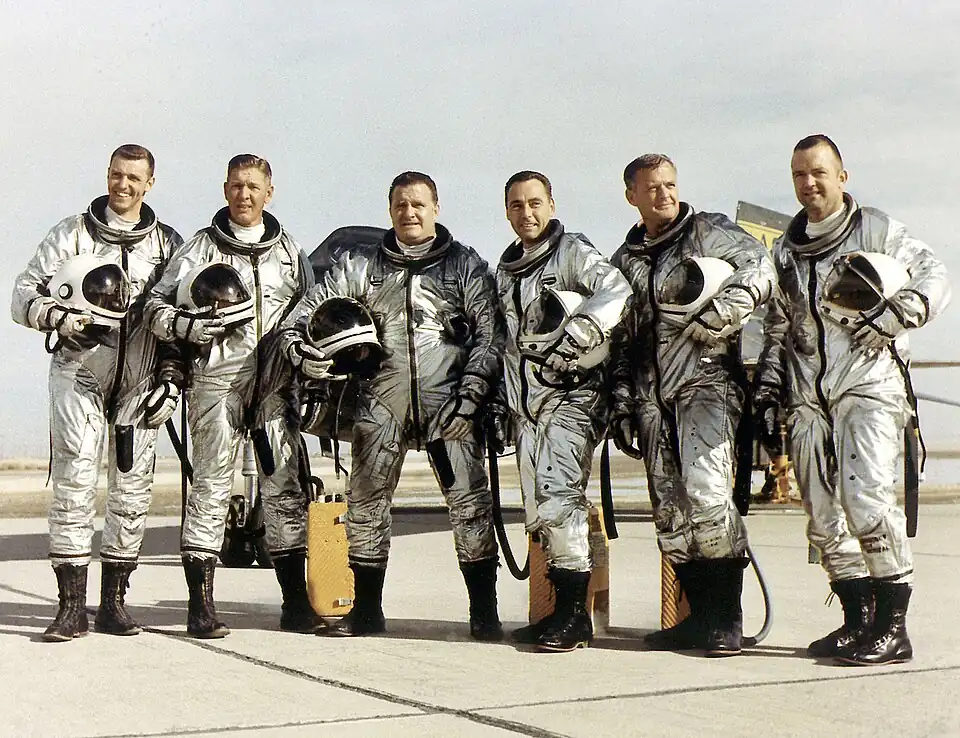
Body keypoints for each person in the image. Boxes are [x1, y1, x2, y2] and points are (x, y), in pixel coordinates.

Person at [280, 171, 504, 640]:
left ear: (436, 208)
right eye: (401, 205)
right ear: (390, 210)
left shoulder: (463, 265)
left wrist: (471, 396)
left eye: (419, 204)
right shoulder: (362, 265)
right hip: (381, 401)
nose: (410, 213)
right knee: (365, 506)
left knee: (470, 507)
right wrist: (300, 349)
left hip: (451, 403)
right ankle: (368, 610)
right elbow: (308, 310)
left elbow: (489, 334)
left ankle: (484, 613)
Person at [754, 135, 950, 665]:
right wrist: (771, 390)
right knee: (822, 514)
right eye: (799, 175)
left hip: (867, 382)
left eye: (818, 172)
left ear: (843, 176)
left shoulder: (877, 230)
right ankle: (858, 619)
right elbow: (779, 323)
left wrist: (897, 314)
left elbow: (934, 274)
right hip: (808, 394)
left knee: (866, 501)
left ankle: (894, 626)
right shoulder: (786, 251)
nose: (808, 184)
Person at [11, 144, 185, 642]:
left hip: (141, 380)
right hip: (80, 372)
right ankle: (71, 608)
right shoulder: (72, 234)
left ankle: (113, 604)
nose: (123, 185)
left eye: (134, 177)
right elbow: (23, 293)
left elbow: (177, 314)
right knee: (74, 484)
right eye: (116, 174)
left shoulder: (168, 244)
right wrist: (55, 315)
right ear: (106, 175)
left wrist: (172, 379)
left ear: (149, 183)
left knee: (132, 494)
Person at [145, 154, 319, 638]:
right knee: (210, 491)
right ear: (225, 189)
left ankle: (294, 602)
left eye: (254, 187)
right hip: (216, 385)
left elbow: (309, 313)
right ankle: (200, 607)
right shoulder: (198, 249)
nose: (245, 195)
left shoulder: (290, 252)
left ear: (270, 192)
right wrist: (187, 326)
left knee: (285, 493)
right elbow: (155, 308)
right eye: (237, 186)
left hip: (274, 389)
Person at [610, 153, 775, 657]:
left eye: (670, 185)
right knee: (672, 517)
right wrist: (620, 400)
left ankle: (727, 618)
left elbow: (761, 267)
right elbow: (620, 337)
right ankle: (699, 618)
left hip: (706, 387)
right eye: (652, 187)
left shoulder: (708, 232)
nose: (663, 194)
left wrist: (724, 313)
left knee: (707, 500)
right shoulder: (626, 261)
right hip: (651, 401)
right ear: (631, 195)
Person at [495, 171, 631, 651]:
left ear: (552, 203)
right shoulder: (506, 270)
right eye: (516, 205)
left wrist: (581, 333)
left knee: (559, 498)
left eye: (535, 202)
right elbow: (506, 345)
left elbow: (617, 291)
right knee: (539, 510)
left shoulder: (572, 251)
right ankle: (559, 611)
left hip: (573, 396)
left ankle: (575, 617)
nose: (526, 213)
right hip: (527, 405)